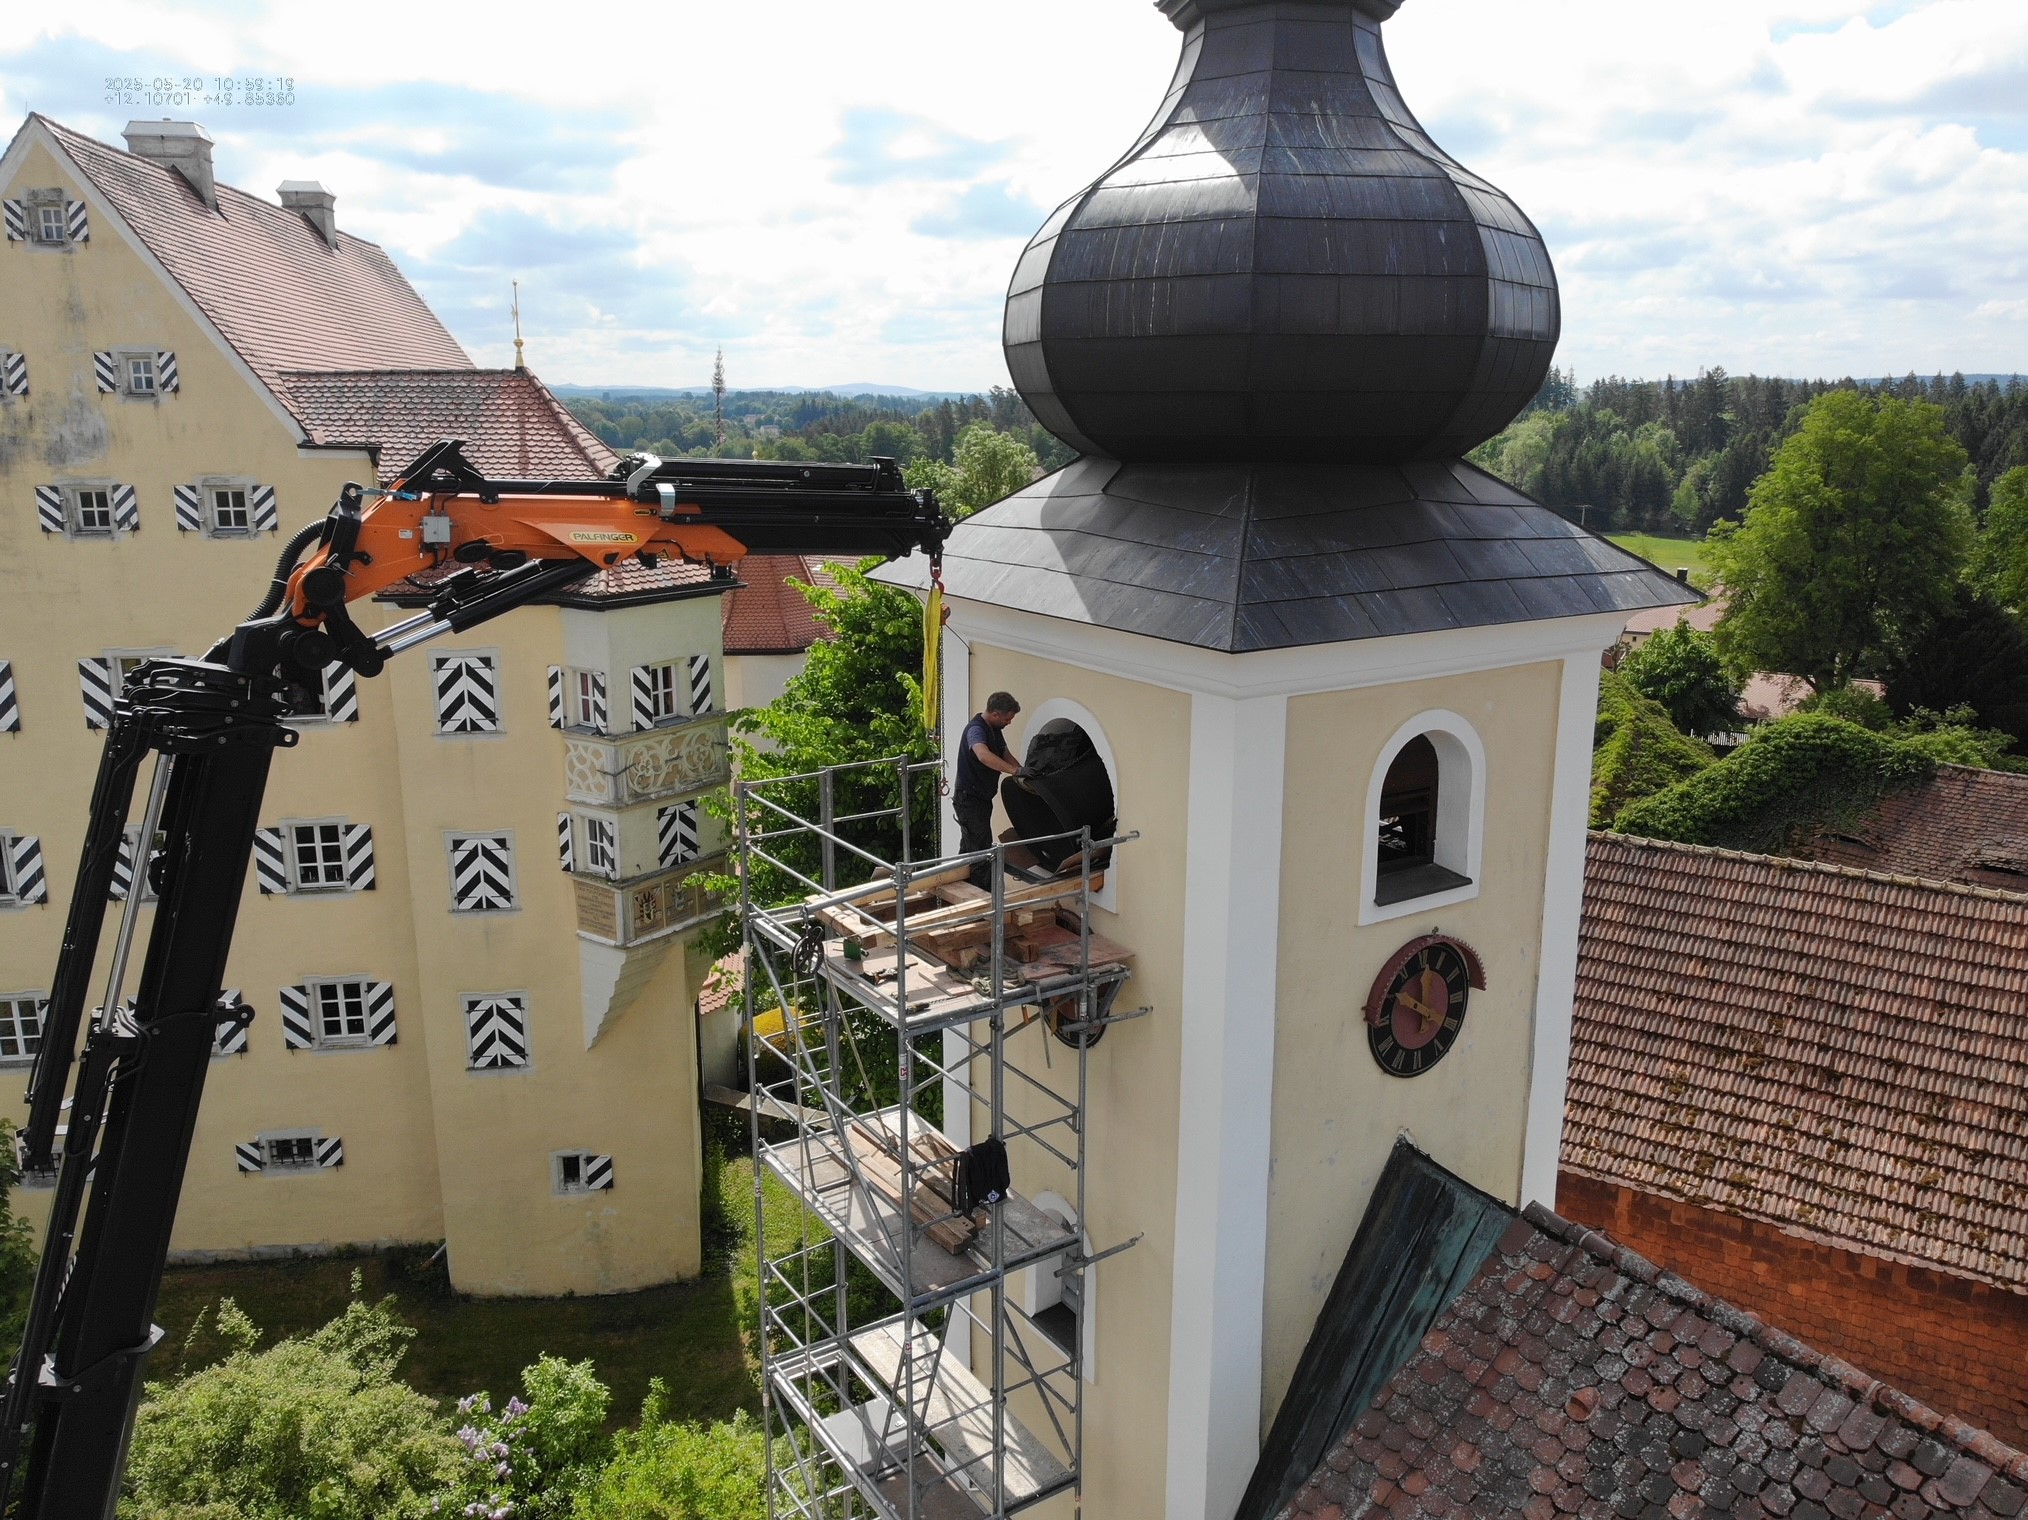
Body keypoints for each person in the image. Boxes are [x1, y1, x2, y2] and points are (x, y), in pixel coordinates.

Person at [954, 691, 1022, 886]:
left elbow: (1005, 754)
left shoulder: (995, 730)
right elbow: (983, 755)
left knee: (970, 845)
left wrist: (1021, 772)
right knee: (981, 850)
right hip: (969, 799)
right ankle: (984, 897)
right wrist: (1013, 771)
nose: (1009, 723)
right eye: (1007, 718)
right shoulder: (976, 730)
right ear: (995, 714)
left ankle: (960, 883)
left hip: (980, 798)